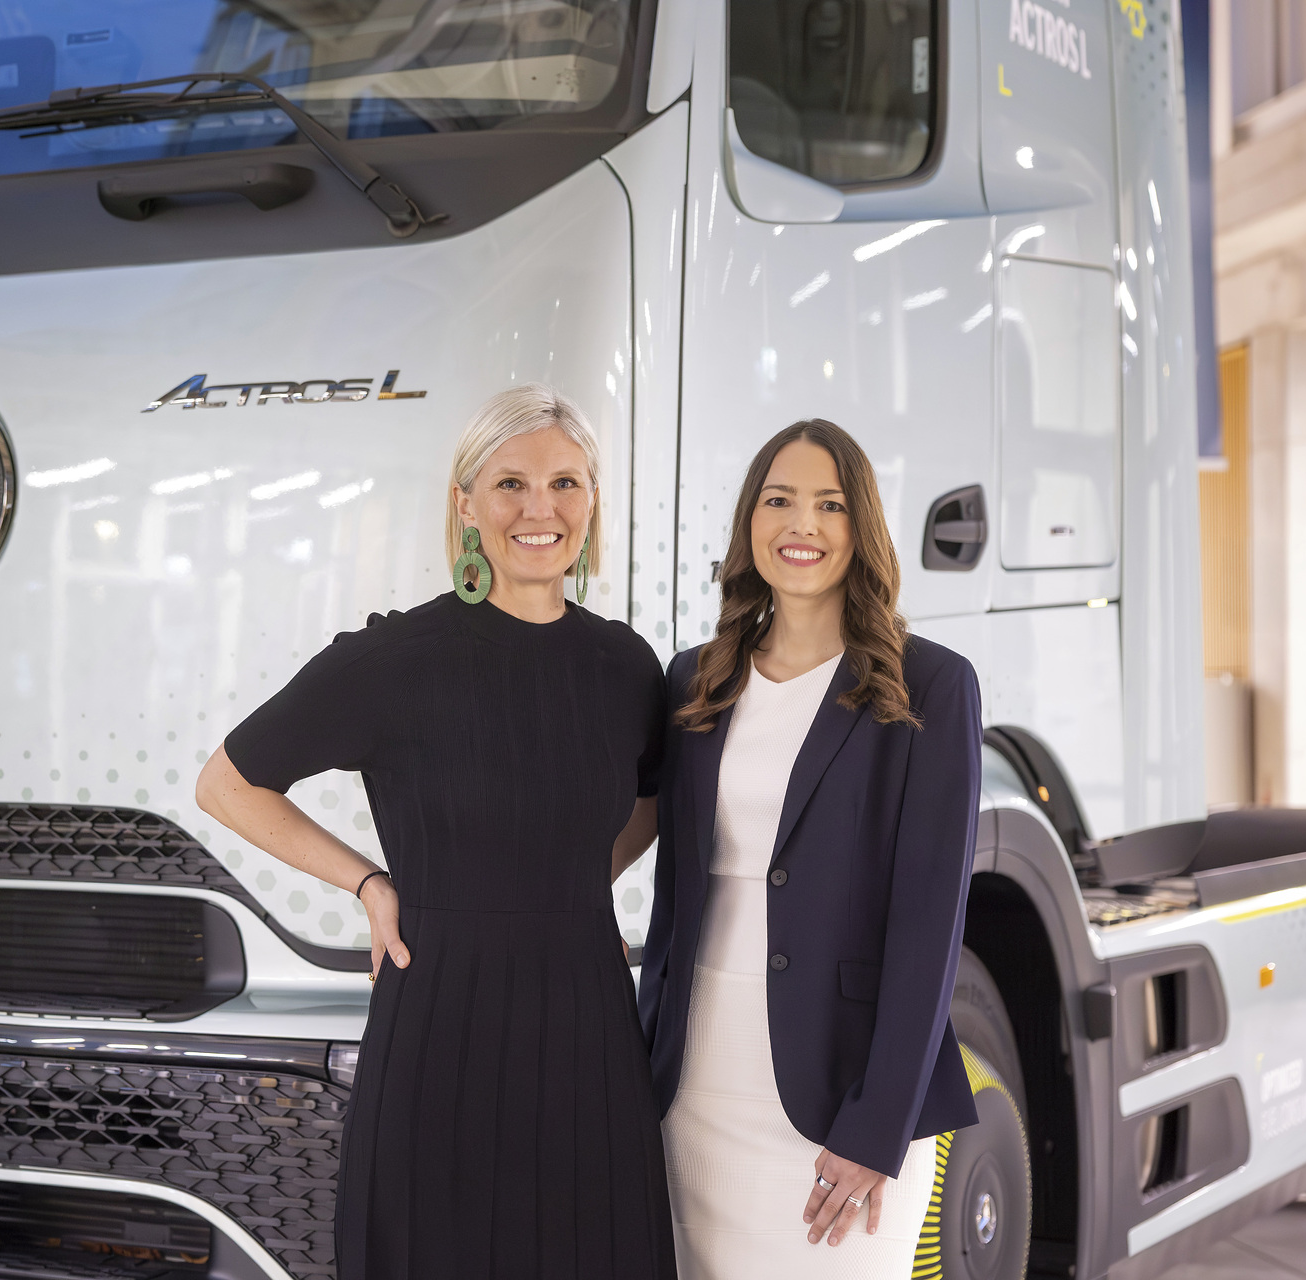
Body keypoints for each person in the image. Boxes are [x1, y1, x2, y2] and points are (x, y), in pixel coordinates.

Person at [196, 384, 677, 1280]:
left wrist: (575, 881)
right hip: (442, 1019)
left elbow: (654, 799)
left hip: (588, 1026)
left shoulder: (625, 666)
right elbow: (228, 784)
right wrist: (370, 883)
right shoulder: (396, 660)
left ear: (592, 502)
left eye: (565, 484)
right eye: (511, 484)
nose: (540, 509)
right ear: (466, 505)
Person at [638, 419, 982, 1279]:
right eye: (779, 500)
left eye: (830, 505)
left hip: (843, 1093)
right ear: (750, 522)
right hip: (696, 1082)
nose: (803, 525)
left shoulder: (928, 684)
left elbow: (929, 927)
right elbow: (670, 890)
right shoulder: (695, 681)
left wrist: (879, 1126)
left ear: (862, 527)